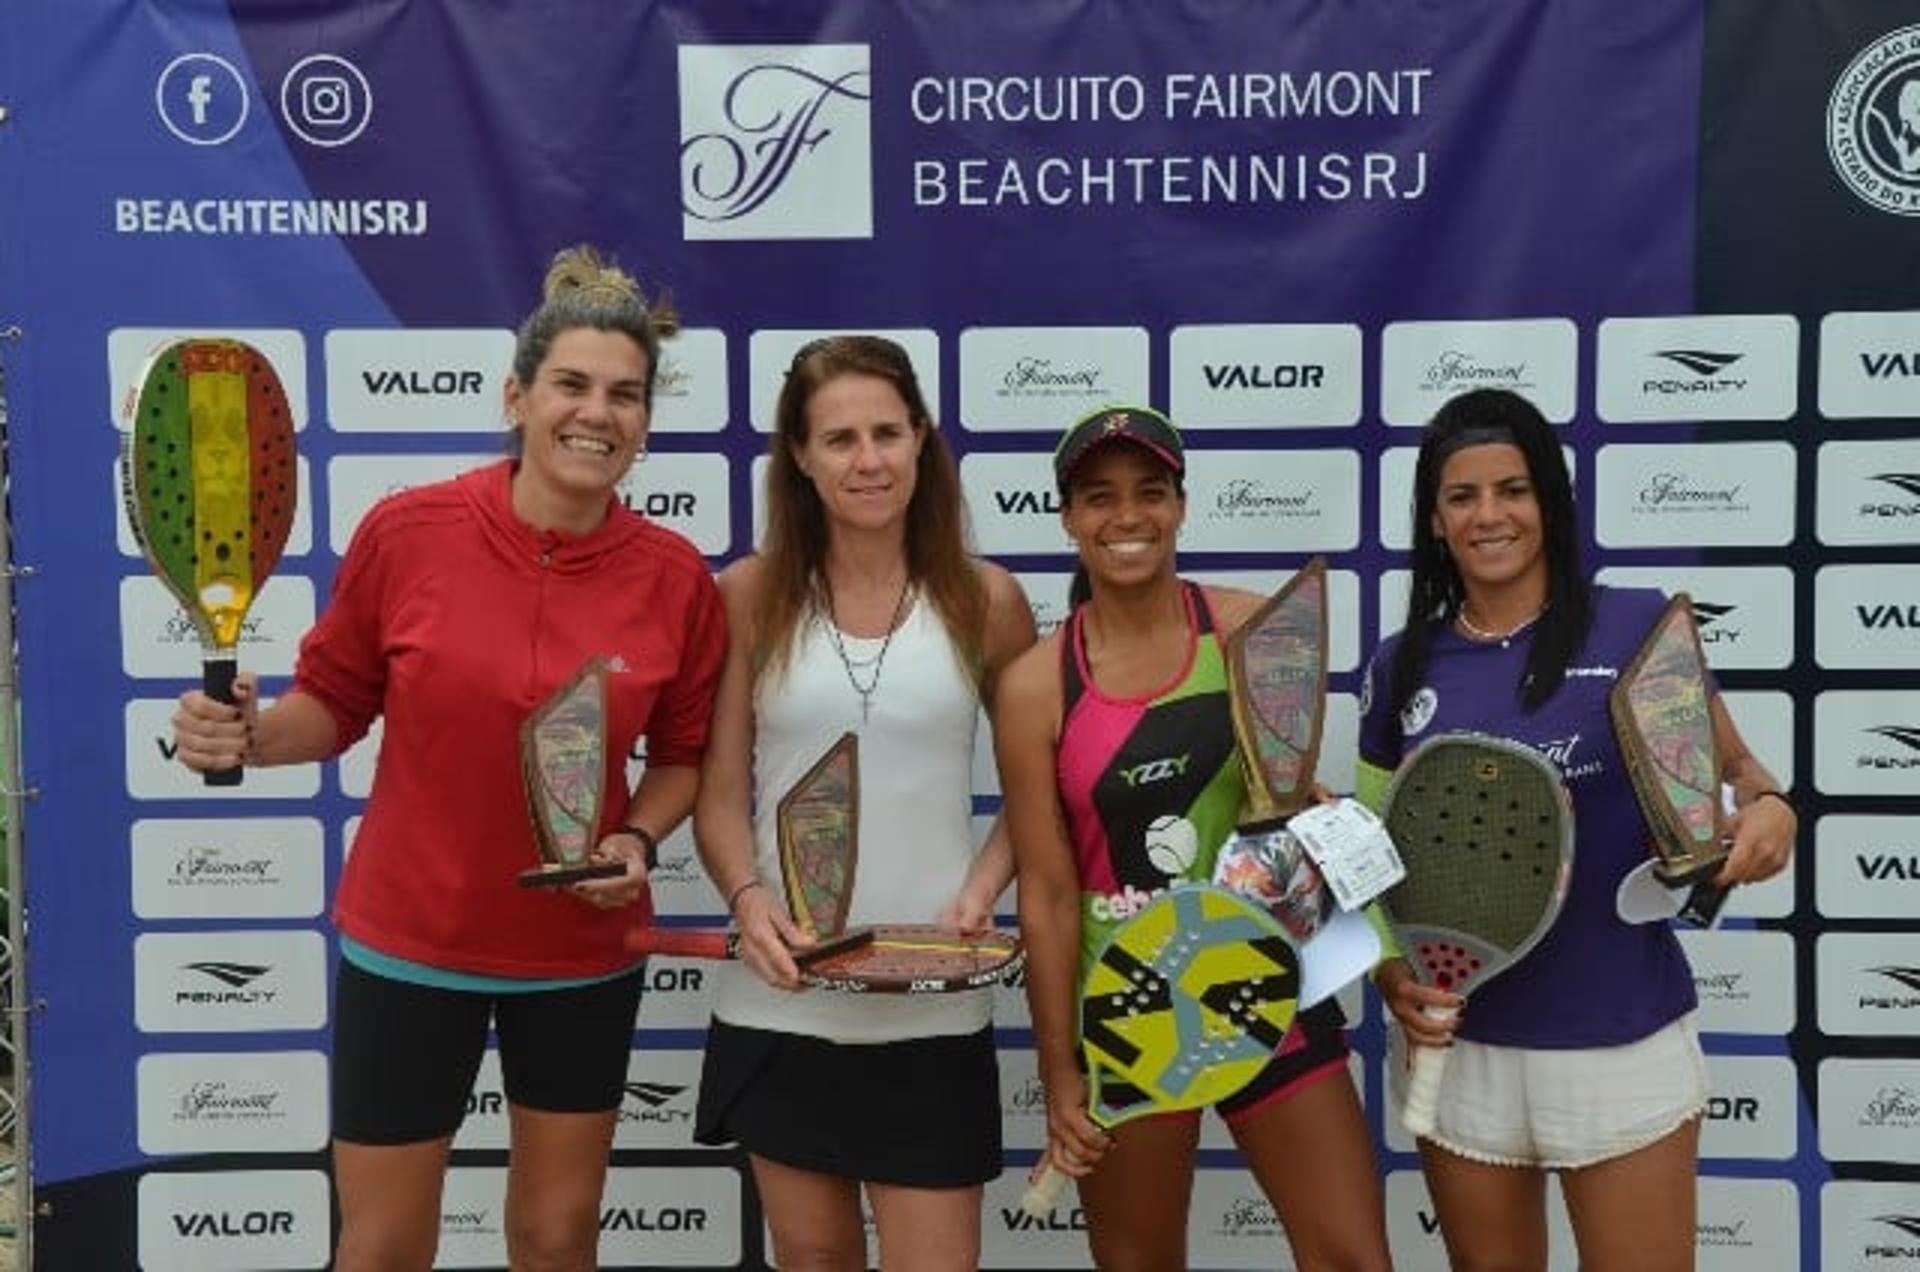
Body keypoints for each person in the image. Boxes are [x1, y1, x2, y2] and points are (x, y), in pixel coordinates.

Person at [170, 246, 726, 1272]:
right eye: (571, 385)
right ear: (517, 397)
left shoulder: (675, 578)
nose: (595, 413)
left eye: (624, 395)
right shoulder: (407, 532)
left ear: (646, 419)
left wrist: (637, 836)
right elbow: (333, 707)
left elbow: (684, 757)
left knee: (557, 1240)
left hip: (577, 960)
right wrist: (248, 731)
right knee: (382, 1249)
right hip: (409, 948)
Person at [1359, 387, 1796, 1272]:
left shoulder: (1637, 627)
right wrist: (1391, 970)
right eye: (1462, 496)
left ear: (1550, 502)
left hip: (1620, 1040)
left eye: (1513, 490)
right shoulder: (1400, 663)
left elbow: (1743, 779)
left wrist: (1772, 812)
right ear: (1435, 519)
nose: (1490, 515)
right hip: (1465, 1052)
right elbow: (1371, 852)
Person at [995, 405, 1391, 1272]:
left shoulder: (1255, 629)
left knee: (1355, 1259)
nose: (1127, 517)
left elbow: (1296, 814)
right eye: (1099, 497)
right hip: (1130, 1015)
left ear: (1180, 504)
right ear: (1067, 517)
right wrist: (1061, 1073)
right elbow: (1050, 894)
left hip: (1268, 990)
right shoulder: (1033, 685)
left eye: (1150, 492)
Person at [691, 335, 1036, 1270]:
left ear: (923, 440)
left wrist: (981, 890)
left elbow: (1040, 790)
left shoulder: (986, 600)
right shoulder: (748, 596)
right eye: (839, 439)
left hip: (933, 1000)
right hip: (783, 997)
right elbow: (719, 797)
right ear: (798, 456)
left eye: (888, 431)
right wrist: (749, 901)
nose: (869, 459)